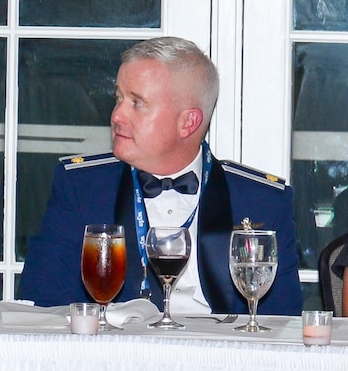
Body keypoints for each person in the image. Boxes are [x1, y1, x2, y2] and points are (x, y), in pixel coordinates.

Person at [21, 36, 302, 316]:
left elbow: (280, 325)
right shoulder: (82, 187)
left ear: (188, 123)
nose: (117, 115)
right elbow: (44, 303)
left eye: (137, 103)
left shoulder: (262, 201)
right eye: (119, 98)